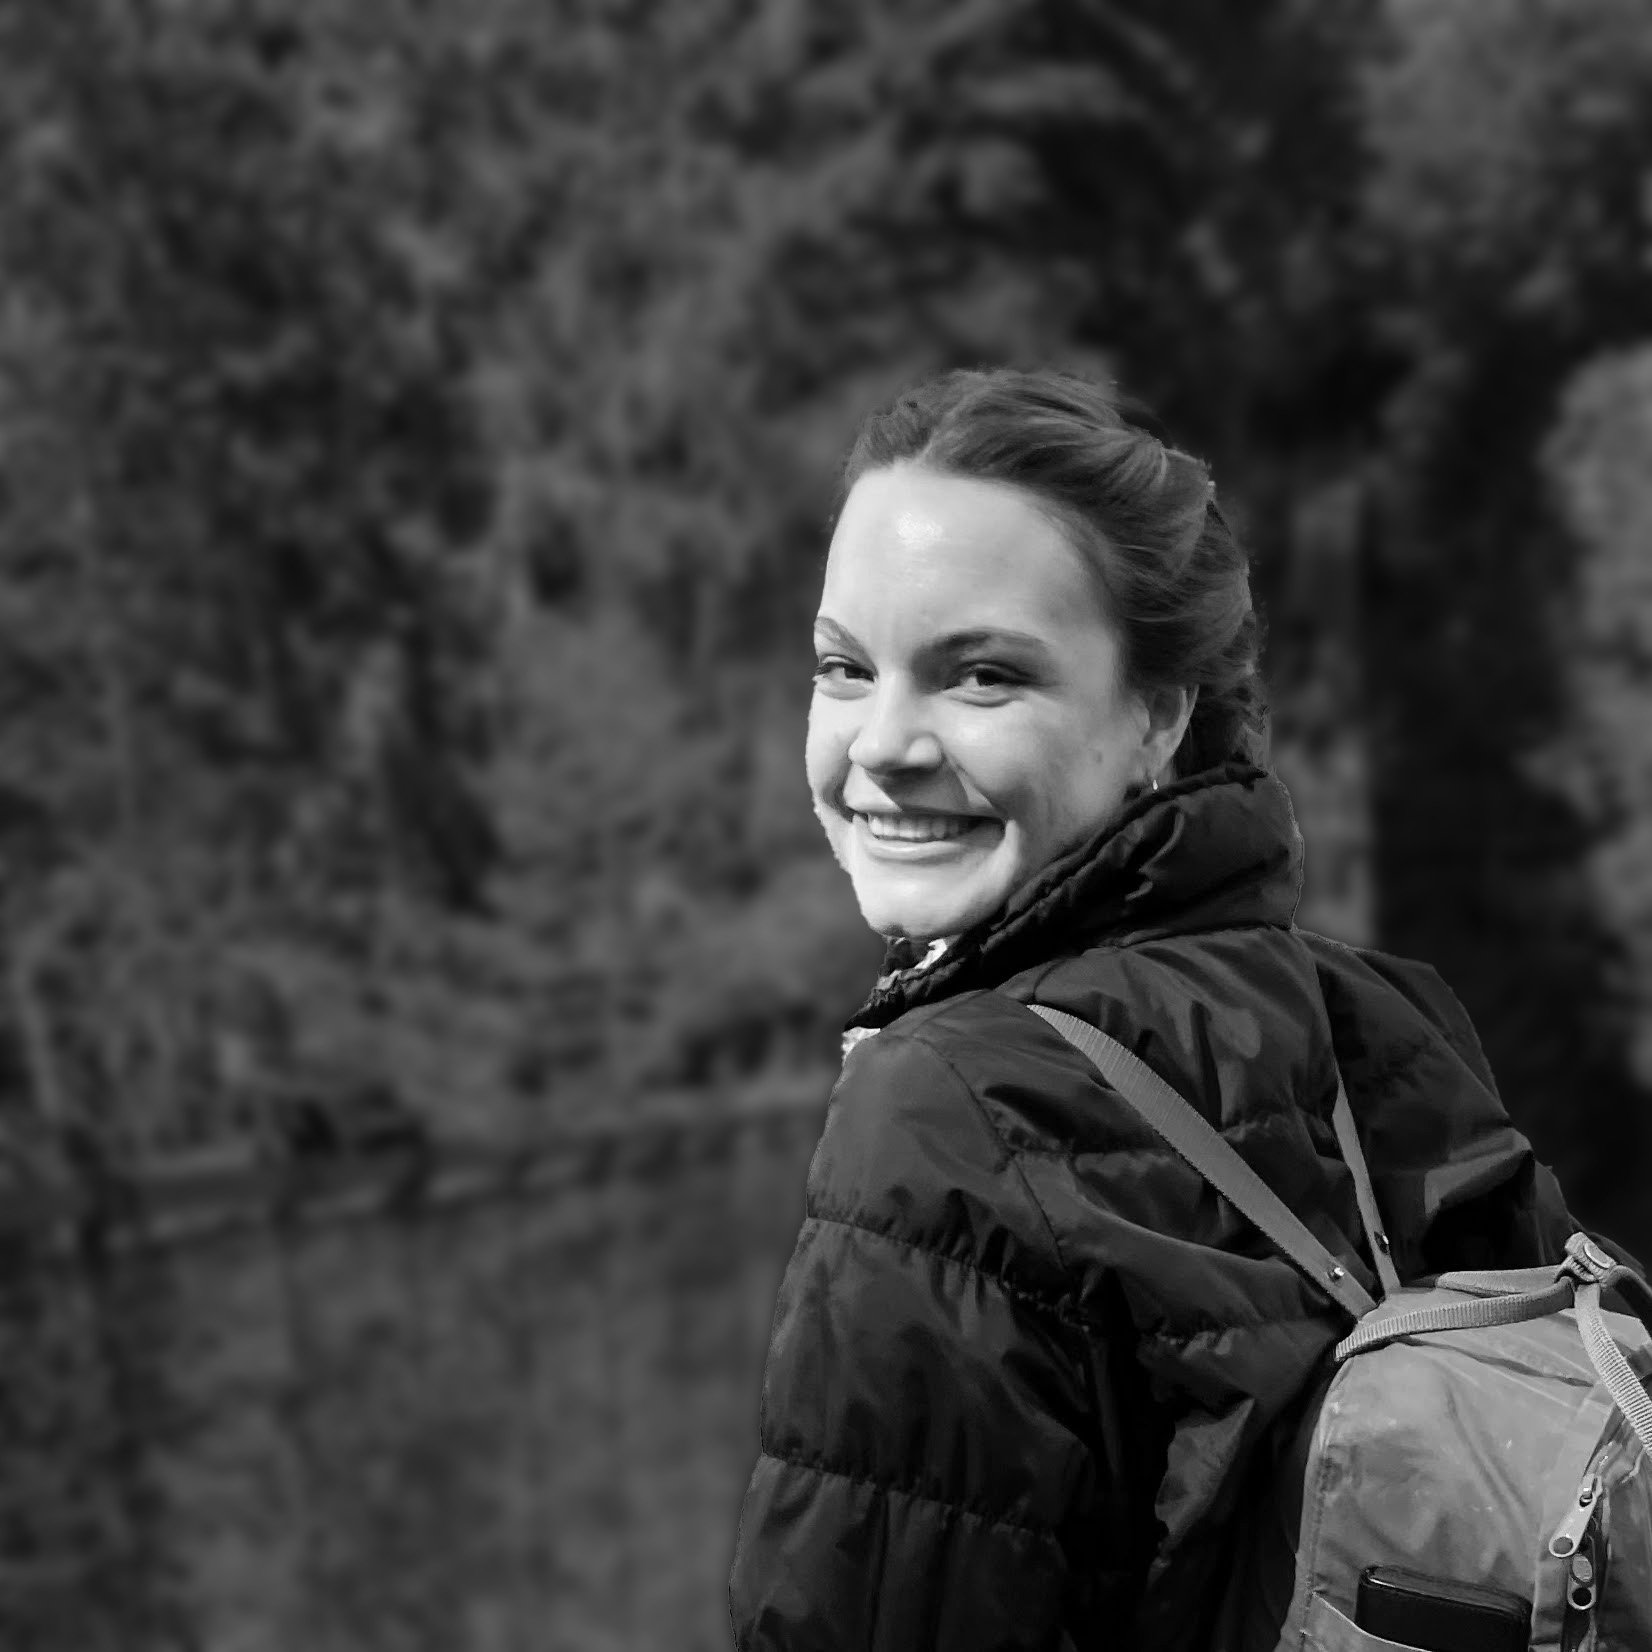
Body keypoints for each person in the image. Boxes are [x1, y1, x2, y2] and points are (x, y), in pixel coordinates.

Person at [727, 367, 1577, 1651]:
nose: (880, 744)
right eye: (844, 666)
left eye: (981, 676)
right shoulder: (1377, 1018)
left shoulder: (945, 1103)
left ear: (1158, 716)